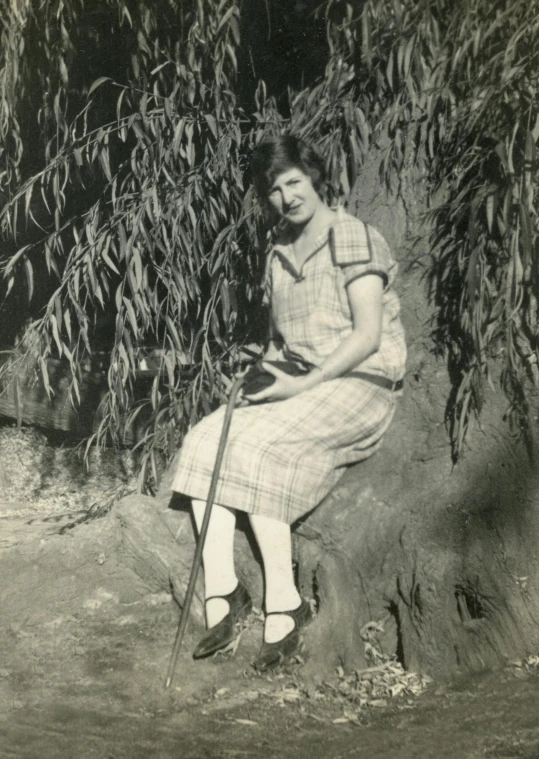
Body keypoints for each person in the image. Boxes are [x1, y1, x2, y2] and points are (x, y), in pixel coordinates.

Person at [172, 134, 406, 671]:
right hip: (302, 381)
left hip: (359, 382)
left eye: (294, 182)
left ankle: (286, 600)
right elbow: (283, 343)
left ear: (315, 178)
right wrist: (259, 376)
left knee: (263, 453)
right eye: (274, 189)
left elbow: (368, 335)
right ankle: (224, 593)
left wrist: (302, 384)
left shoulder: (351, 236)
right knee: (206, 438)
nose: (287, 196)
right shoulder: (279, 253)